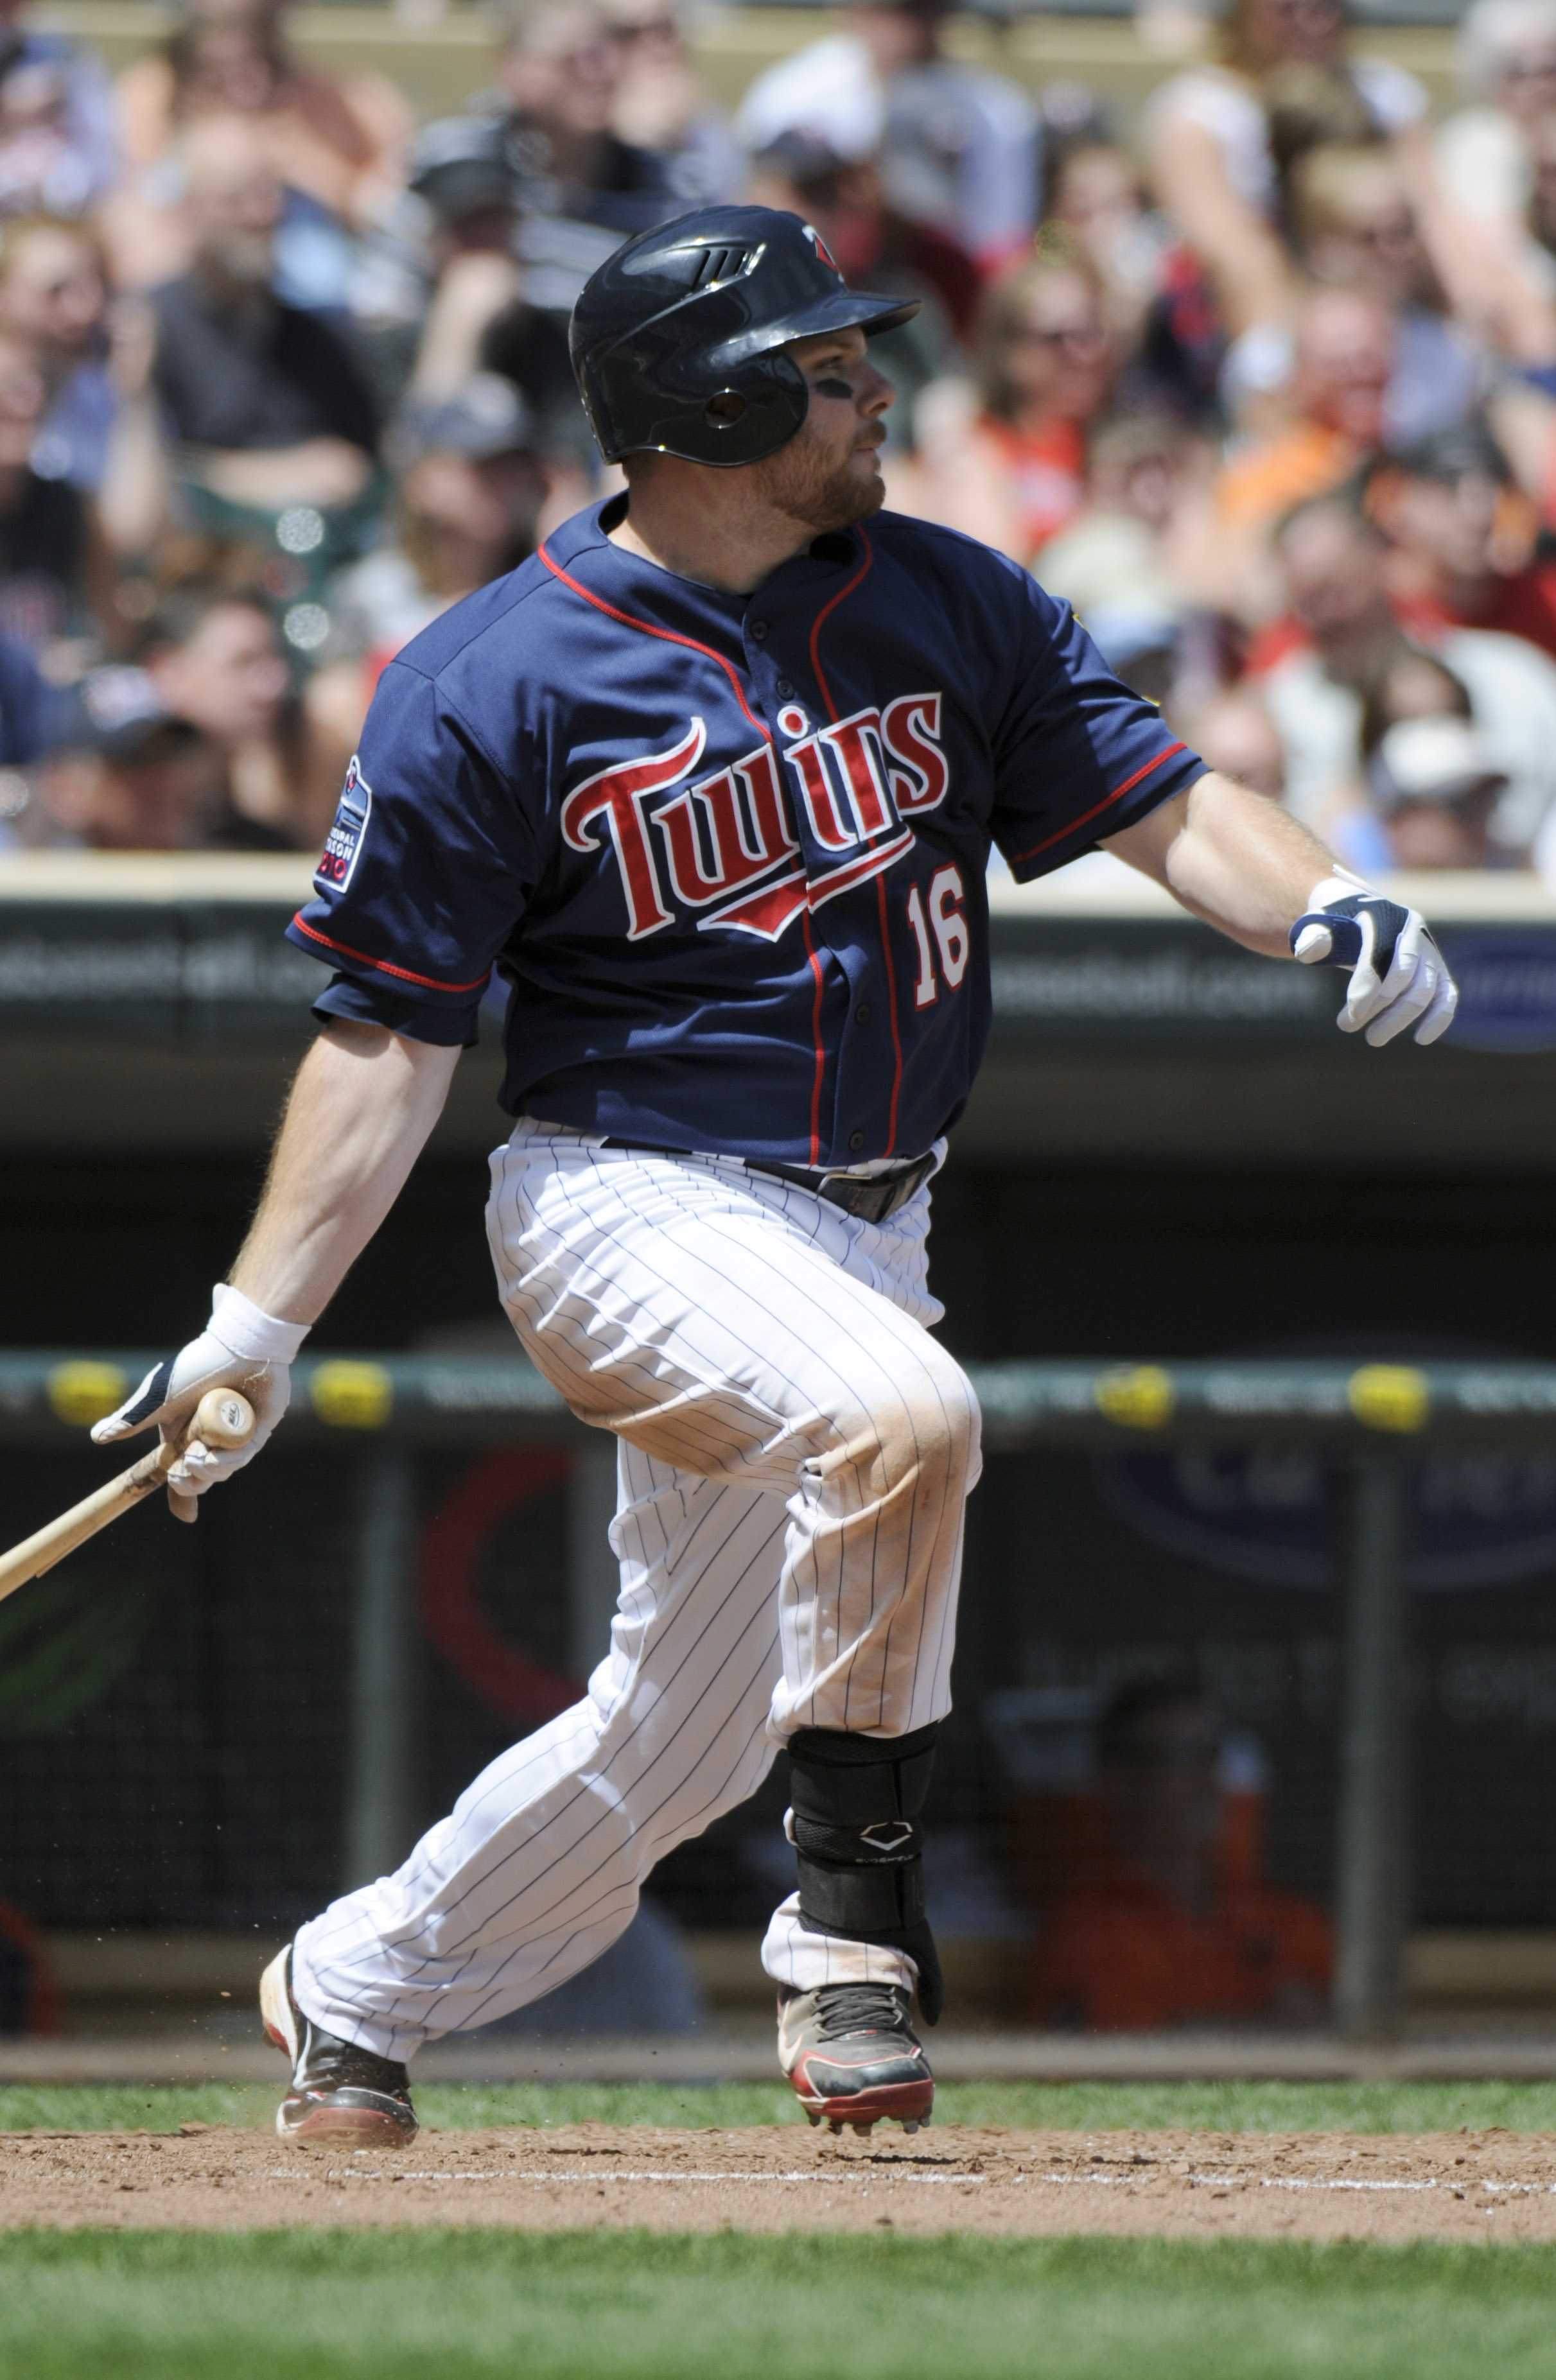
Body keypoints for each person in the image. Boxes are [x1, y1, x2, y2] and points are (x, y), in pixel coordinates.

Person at [89, 203, 1455, 2149]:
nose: (873, 386)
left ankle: (357, 1978)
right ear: (703, 401)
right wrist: (255, 1321)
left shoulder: (947, 600)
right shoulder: (489, 677)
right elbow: (386, 1033)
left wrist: (1321, 892)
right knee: (902, 1416)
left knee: (690, 1730)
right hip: (622, 1194)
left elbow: (1163, 799)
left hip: (868, 1210)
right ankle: (857, 1944)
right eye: (824, 368)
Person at [1254, 490, 1556, 858]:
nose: (1330, 613)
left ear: (1379, 560)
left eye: (1340, 588)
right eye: (1310, 600)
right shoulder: (1280, 711)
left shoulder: (1509, 675)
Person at [1021, 1681, 1331, 2031]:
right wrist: (1274, 2027)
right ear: (1119, 1782)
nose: (1203, 1777)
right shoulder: (1088, 1932)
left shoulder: (1283, 1918)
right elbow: (1121, 2060)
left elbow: (1356, 2033)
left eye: (1210, 1753)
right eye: (1175, 1756)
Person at [137, 116, 380, 535]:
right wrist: (253, 477)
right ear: (189, 212)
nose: (260, 214)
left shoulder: (315, 335)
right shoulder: (149, 326)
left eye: (269, 195)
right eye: (237, 198)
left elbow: (362, 455)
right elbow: (134, 473)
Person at [734, 0, 1038, 275]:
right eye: (896, 10)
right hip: (805, 274)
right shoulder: (792, 96)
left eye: (929, 9)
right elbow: (747, 219)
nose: (913, 29)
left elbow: (1002, 249)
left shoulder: (997, 111)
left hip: (942, 284)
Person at [886, 237, 1115, 564]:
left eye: (1092, 331)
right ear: (1010, 352)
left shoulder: (1127, 438)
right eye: (1057, 338)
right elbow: (996, 566)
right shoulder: (972, 442)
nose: (1084, 353)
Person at [1370, 422, 1556, 661]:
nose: (1478, 515)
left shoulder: (1545, 602)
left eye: (1491, 491)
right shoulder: (1370, 614)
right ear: (1400, 507)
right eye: (1449, 492)